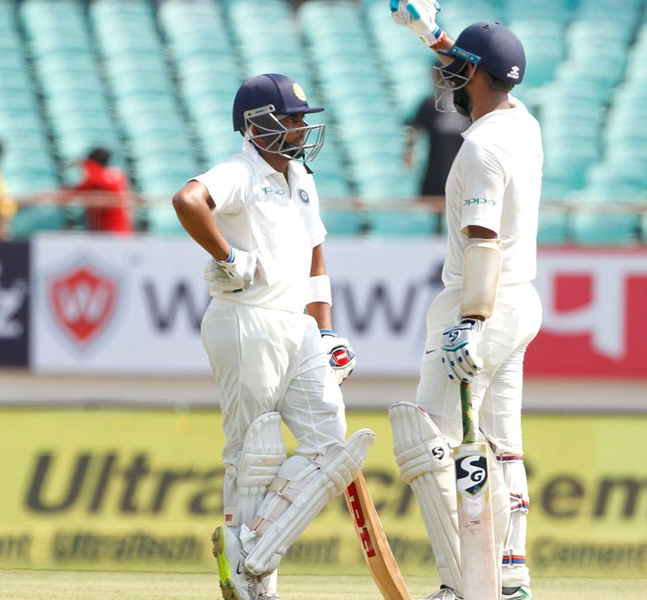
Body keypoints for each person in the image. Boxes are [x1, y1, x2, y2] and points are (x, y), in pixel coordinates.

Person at [172, 73, 370, 600]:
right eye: (291, 118)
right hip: (245, 319)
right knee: (252, 451)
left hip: (297, 325)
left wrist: (326, 330)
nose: (301, 127)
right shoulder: (240, 171)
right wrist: (228, 257)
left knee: (330, 446)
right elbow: (189, 200)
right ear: (256, 124)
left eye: (303, 117)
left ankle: (254, 555)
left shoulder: (301, 177)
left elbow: (315, 255)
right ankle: (250, 580)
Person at [389, 4, 542, 600]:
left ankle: (461, 584)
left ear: (476, 78)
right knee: (502, 442)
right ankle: (508, 578)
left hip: (481, 301)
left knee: (426, 439)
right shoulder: (522, 121)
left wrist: (470, 323)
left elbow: (482, 241)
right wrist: (431, 34)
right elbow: (482, 68)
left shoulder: (479, 149)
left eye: (460, 71)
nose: (451, 80)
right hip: (521, 300)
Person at [403, 65, 469, 198]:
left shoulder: (431, 103)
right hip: (461, 171)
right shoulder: (468, 105)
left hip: (438, 171)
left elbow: (414, 131)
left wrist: (408, 152)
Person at [72, 147, 133, 233]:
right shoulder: (93, 180)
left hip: (116, 230)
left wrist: (87, 164)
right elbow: (78, 191)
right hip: (97, 229)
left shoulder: (114, 174)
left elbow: (104, 181)